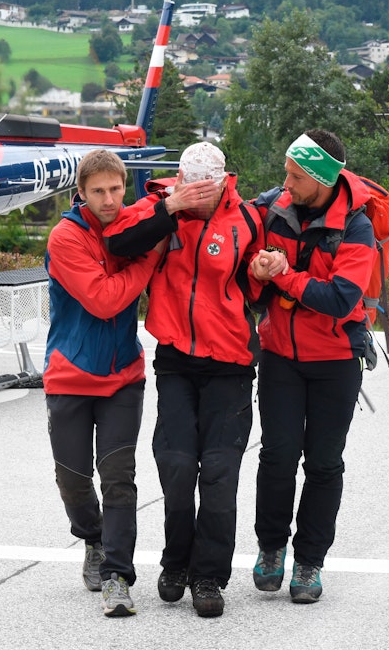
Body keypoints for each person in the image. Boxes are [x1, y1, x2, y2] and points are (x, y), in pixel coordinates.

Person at [104, 142, 266, 618]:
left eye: (204, 188)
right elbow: (118, 243)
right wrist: (171, 206)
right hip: (176, 357)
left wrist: (262, 270)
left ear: (221, 182)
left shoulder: (248, 219)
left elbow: (255, 284)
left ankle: (210, 575)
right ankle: (175, 563)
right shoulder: (159, 208)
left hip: (231, 362)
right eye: (186, 184)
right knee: (175, 466)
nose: (195, 194)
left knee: (219, 472)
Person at [248, 129, 380, 603]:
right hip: (281, 357)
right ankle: (269, 551)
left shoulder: (357, 228)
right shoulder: (275, 209)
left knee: (324, 464)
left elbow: (342, 297)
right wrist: (258, 273)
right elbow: (255, 280)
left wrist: (285, 276)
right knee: (277, 457)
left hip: (336, 362)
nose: (286, 183)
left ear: (322, 179)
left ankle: (309, 563)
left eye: (295, 176)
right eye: (286, 171)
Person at [43, 149, 165, 618]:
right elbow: (104, 300)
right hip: (70, 376)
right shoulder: (65, 237)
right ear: (82, 194)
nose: (110, 199)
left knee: (119, 481)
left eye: (116, 189)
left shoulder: (133, 228)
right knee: (72, 481)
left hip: (122, 379)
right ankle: (92, 538)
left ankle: (118, 576)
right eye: (99, 191)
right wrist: (149, 259)